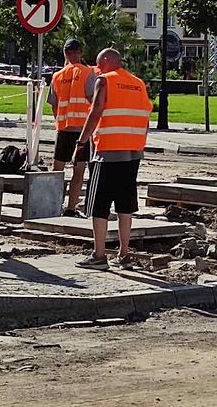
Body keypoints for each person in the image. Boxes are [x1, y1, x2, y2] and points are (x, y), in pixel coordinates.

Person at [74, 48, 152, 270]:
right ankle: (124, 254)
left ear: (107, 61)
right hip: (132, 153)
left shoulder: (105, 81)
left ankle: (99, 256)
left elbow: (96, 110)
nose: (97, 69)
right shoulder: (138, 83)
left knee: (98, 205)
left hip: (107, 152)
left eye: (99, 64)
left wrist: (81, 142)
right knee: (125, 205)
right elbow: (146, 118)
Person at [47, 39, 97, 217]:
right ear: (80, 52)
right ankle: (70, 208)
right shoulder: (88, 73)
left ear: (65, 54)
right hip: (82, 131)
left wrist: (60, 121)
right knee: (79, 171)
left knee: (57, 170)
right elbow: (93, 98)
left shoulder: (57, 76)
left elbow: (53, 105)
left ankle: (52, 204)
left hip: (63, 129)